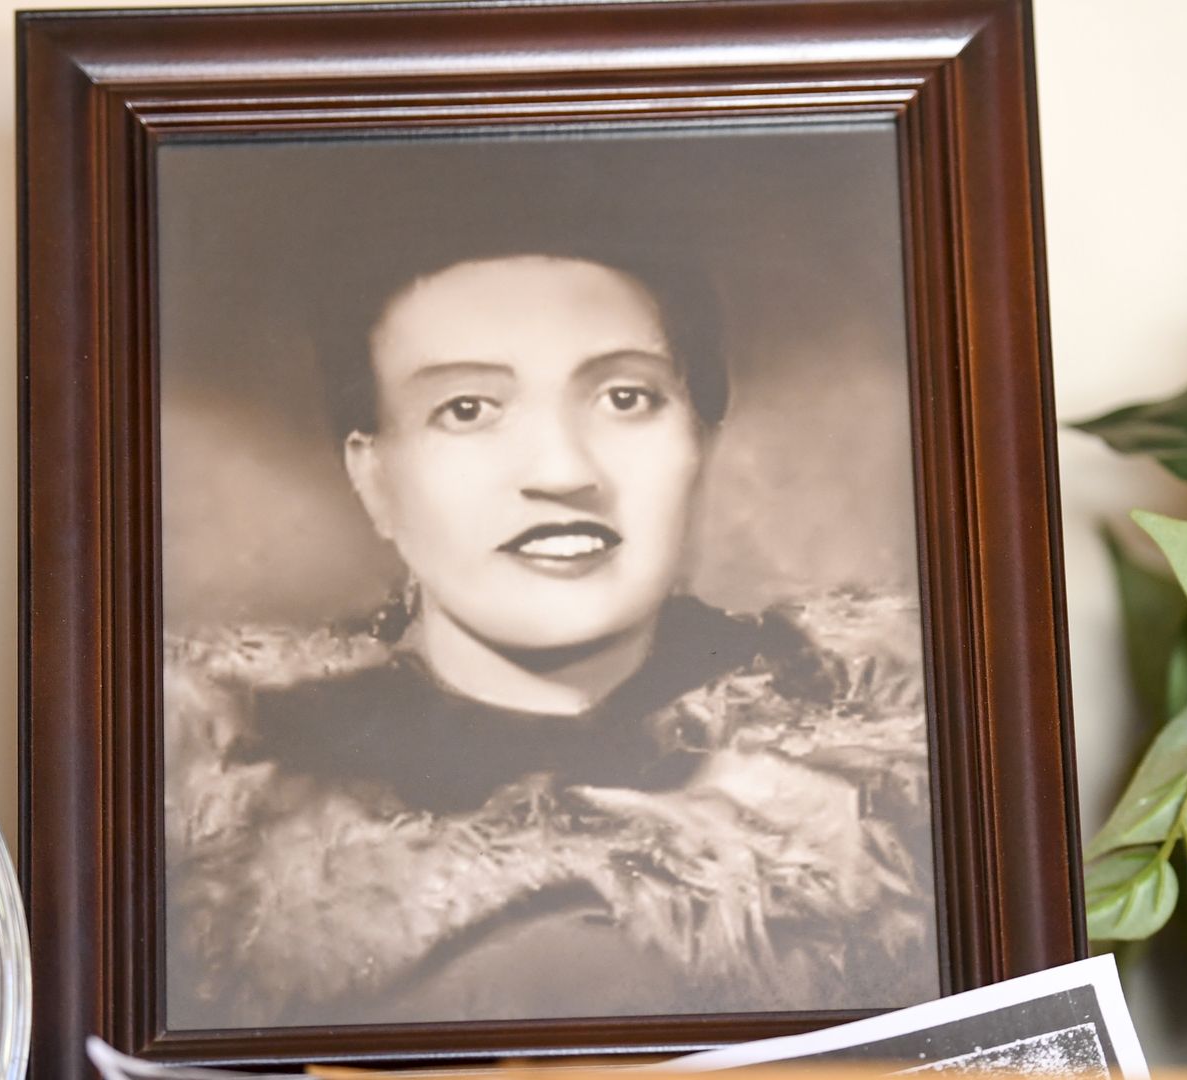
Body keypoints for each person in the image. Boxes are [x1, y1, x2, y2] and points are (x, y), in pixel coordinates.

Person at [164, 252, 935, 1030]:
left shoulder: (901, 786)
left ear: (701, 440)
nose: (563, 470)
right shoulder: (212, 824)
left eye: (626, 397)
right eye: (467, 409)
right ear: (374, 478)